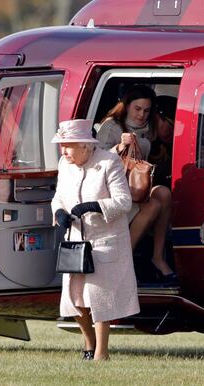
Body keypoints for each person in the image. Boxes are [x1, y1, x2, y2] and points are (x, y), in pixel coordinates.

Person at [51, 119, 139, 361]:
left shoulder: (109, 162)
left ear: (85, 146)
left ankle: (102, 352)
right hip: (76, 241)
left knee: (99, 297)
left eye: (68, 146)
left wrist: (93, 206)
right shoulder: (64, 164)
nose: (64, 151)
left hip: (105, 240)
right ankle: (89, 345)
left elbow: (124, 202)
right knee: (74, 298)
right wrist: (59, 212)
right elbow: (58, 196)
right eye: (62, 146)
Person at [96, 85, 177, 283]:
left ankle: (158, 258)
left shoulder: (149, 128)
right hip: (114, 190)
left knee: (165, 193)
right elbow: (97, 162)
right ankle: (122, 261)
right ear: (126, 106)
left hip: (137, 187)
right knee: (153, 205)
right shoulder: (112, 126)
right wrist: (120, 146)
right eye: (137, 109)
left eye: (147, 110)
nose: (142, 115)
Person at [148, 95, 177, 189]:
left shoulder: (169, 147)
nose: (173, 133)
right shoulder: (141, 141)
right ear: (157, 118)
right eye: (172, 126)